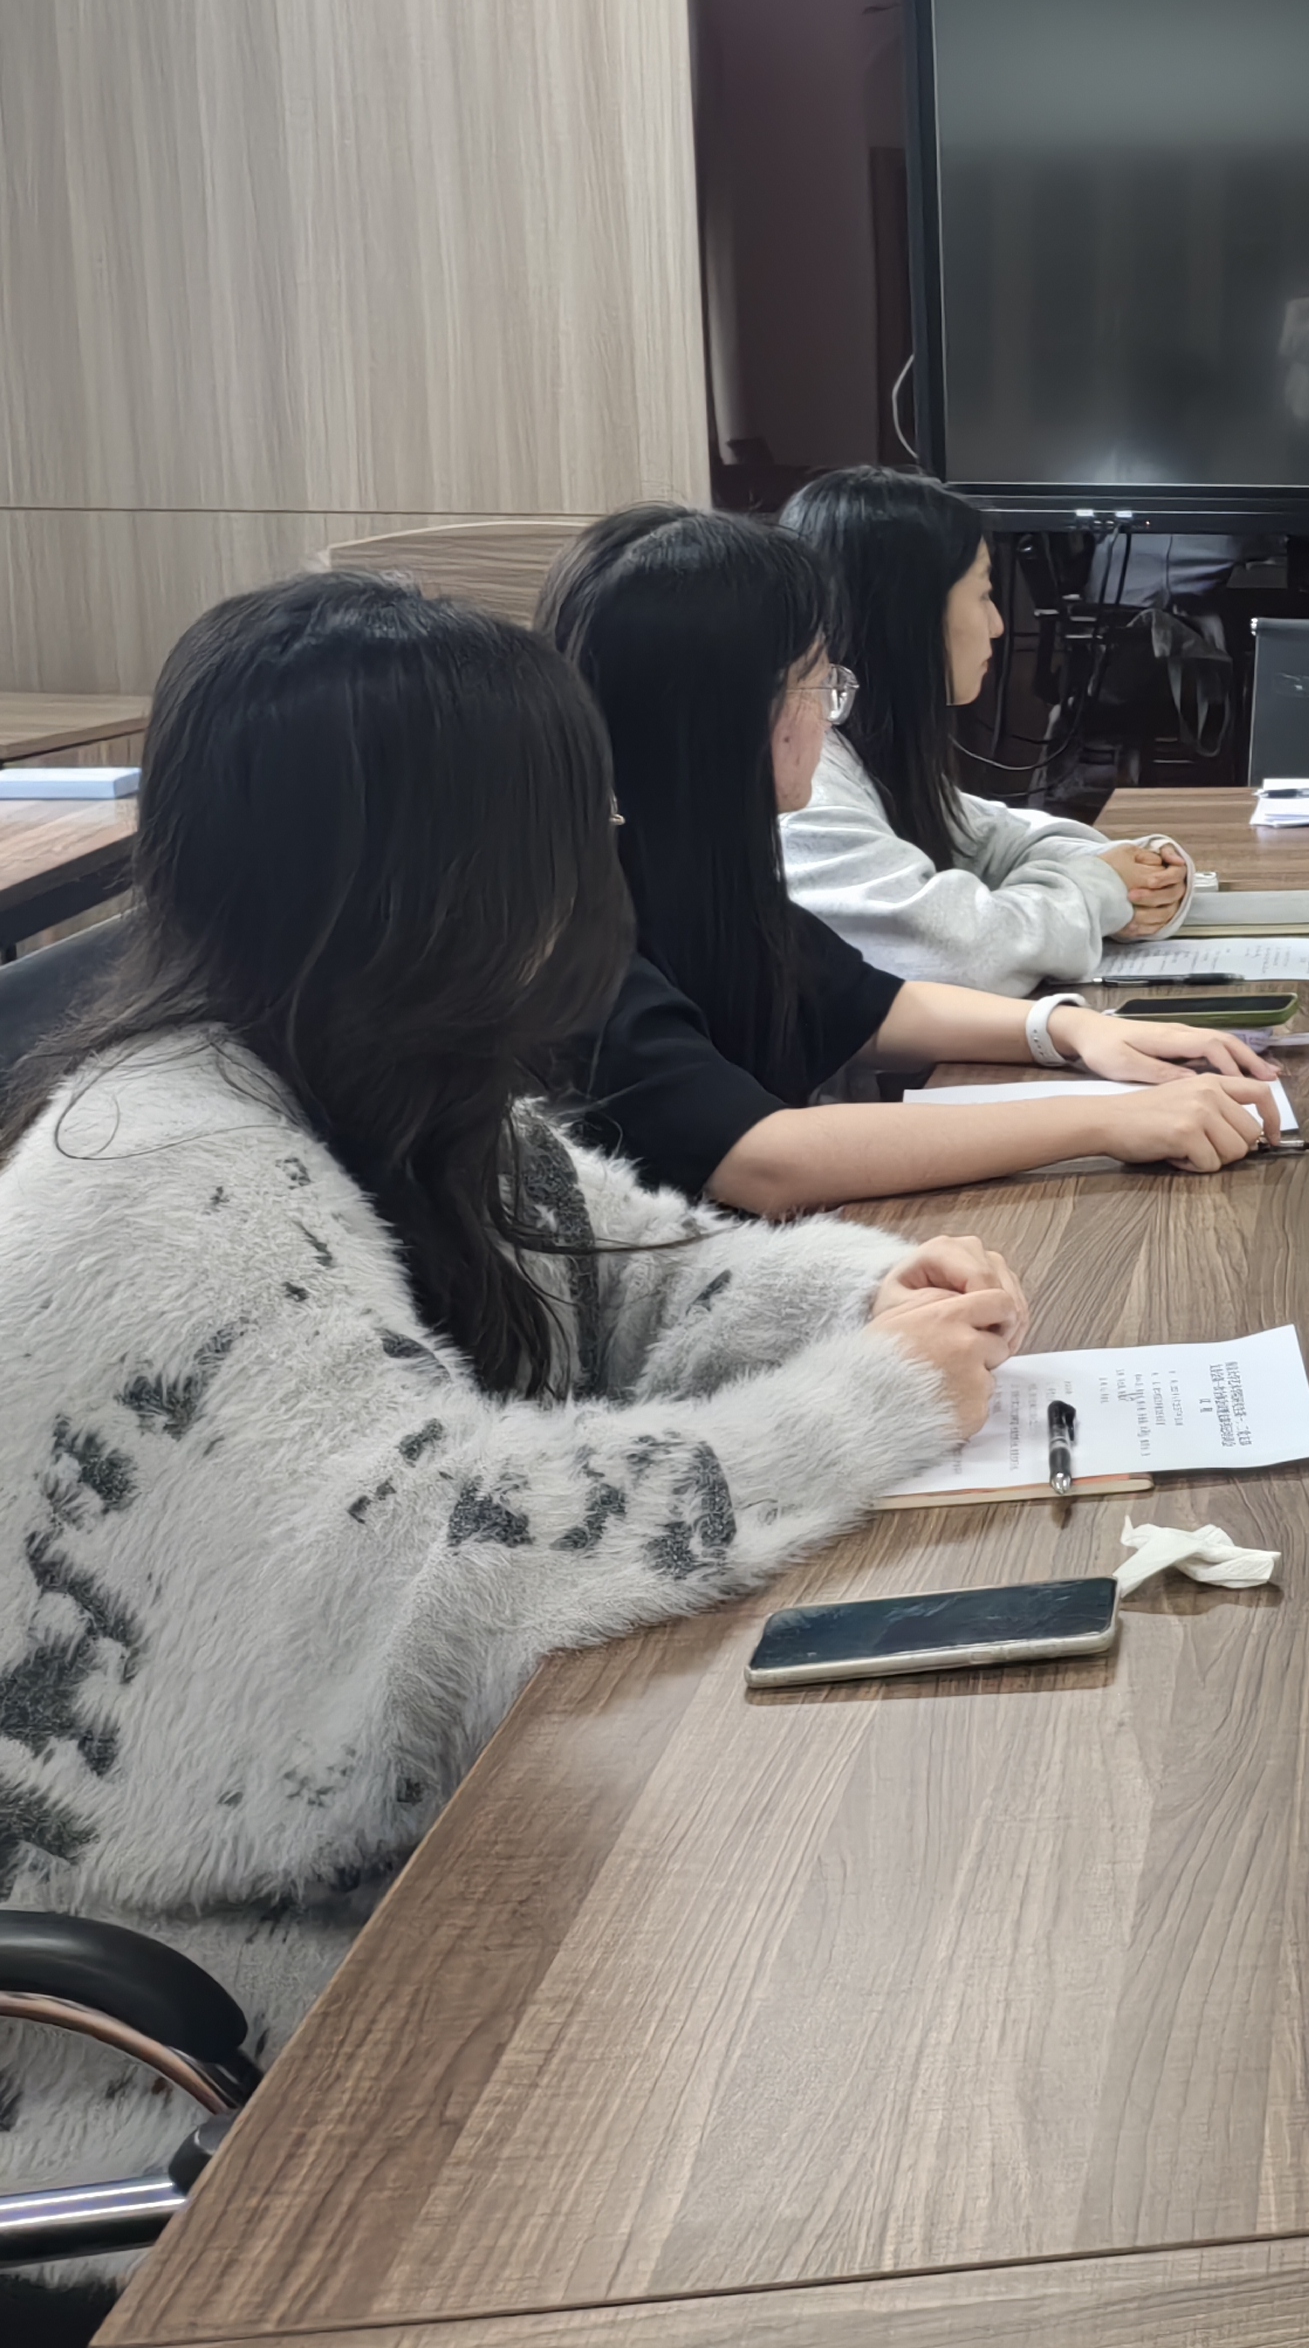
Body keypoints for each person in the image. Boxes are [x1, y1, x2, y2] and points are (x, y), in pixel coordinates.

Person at [0, 577, 1012, 2244]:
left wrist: (862, 1294)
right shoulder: (164, 1186)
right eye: (574, 820)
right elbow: (461, 1569)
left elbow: (642, 1280)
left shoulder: (377, 1072)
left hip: (435, 1885)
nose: (606, 850)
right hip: (218, 2045)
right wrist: (869, 1404)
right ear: (445, 874)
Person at [541, 509, 1283, 1217]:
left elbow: (874, 1006)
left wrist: (1073, 1031)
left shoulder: (694, 864)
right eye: (816, 681)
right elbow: (763, 1159)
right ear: (727, 712)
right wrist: (1105, 1121)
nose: (828, 712)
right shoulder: (575, 924)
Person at [777, 467, 1186, 995]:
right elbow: (958, 955)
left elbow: (1001, 840)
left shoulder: (863, 755)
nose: (997, 624)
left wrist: (1142, 872)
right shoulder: (803, 787)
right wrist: (1102, 889)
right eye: (984, 594)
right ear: (909, 608)